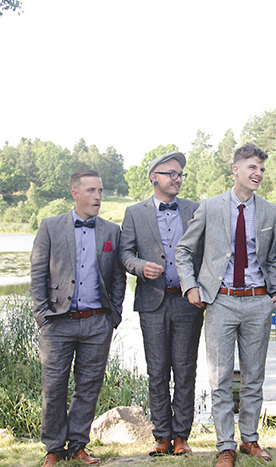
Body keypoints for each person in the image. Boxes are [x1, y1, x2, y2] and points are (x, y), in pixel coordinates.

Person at [176, 142, 276, 467]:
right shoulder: (211, 207)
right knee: (220, 377)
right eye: (252, 167)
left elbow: (270, 259)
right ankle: (225, 445)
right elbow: (183, 250)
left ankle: (250, 439)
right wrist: (190, 286)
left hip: (257, 303)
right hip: (220, 302)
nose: (258, 174)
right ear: (235, 169)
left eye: (261, 169)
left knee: (254, 376)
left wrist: (273, 293)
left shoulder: (269, 211)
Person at [30, 169, 126, 467]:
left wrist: (114, 315)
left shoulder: (112, 231)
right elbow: (37, 274)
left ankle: (78, 446)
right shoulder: (50, 227)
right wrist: (43, 315)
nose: (98, 196)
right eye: (91, 191)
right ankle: (54, 448)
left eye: (100, 190)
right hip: (58, 322)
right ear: (75, 193)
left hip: (98, 322)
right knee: (54, 386)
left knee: (89, 386)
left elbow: (118, 277)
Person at [119, 151, 203, 456]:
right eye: (171, 174)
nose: (177, 179)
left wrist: (199, 288)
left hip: (187, 302)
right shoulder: (134, 213)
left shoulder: (195, 209)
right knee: (157, 372)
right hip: (152, 302)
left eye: (180, 174)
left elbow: (206, 253)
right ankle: (162, 437)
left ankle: (181, 436)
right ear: (154, 177)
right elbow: (125, 253)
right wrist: (141, 267)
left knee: (185, 370)